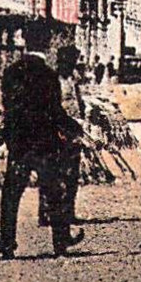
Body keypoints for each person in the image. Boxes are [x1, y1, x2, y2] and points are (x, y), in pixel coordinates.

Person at [0, 43, 85, 259]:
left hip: (19, 143)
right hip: (44, 144)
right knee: (54, 192)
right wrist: (73, 126)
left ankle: (7, 242)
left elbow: (7, 108)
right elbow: (54, 111)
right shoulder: (48, 75)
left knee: (11, 194)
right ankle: (60, 242)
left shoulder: (10, 73)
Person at [52, 46, 89, 234]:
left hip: (74, 129)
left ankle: (69, 211)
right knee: (57, 175)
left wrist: (83, 118)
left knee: (73, 174)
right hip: (60, 131)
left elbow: (78, 100)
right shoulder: (54, 79)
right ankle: (49, 214)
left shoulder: (72, 78)